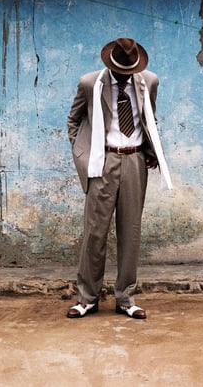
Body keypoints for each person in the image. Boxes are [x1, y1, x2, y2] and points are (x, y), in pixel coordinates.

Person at [66, 37, 171, 319]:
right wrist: (82, 153)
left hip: (135, 160)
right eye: (121, 71)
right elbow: (73, 120)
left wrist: (150, 150)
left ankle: (126, 298)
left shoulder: (149, 81)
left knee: (130, 232)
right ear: (110, 64)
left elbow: (150, 119)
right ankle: (87, 297)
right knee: (95, 232)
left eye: (130, 70)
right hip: (102, 161)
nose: (126, 76)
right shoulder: (90, 83)